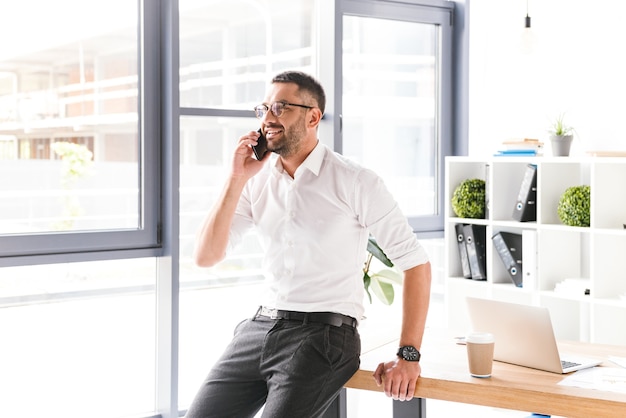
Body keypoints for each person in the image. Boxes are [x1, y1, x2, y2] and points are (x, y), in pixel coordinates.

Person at [187, 70, 431, 418]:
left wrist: (408, 355)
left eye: (281, 107)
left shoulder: (356, 181)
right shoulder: (255, 182)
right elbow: (206, 256)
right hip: (259, 327)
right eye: (264, 109)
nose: (268, 118)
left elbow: (416, 263)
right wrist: (236, 177)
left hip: (323, 335)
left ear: (313, 117)